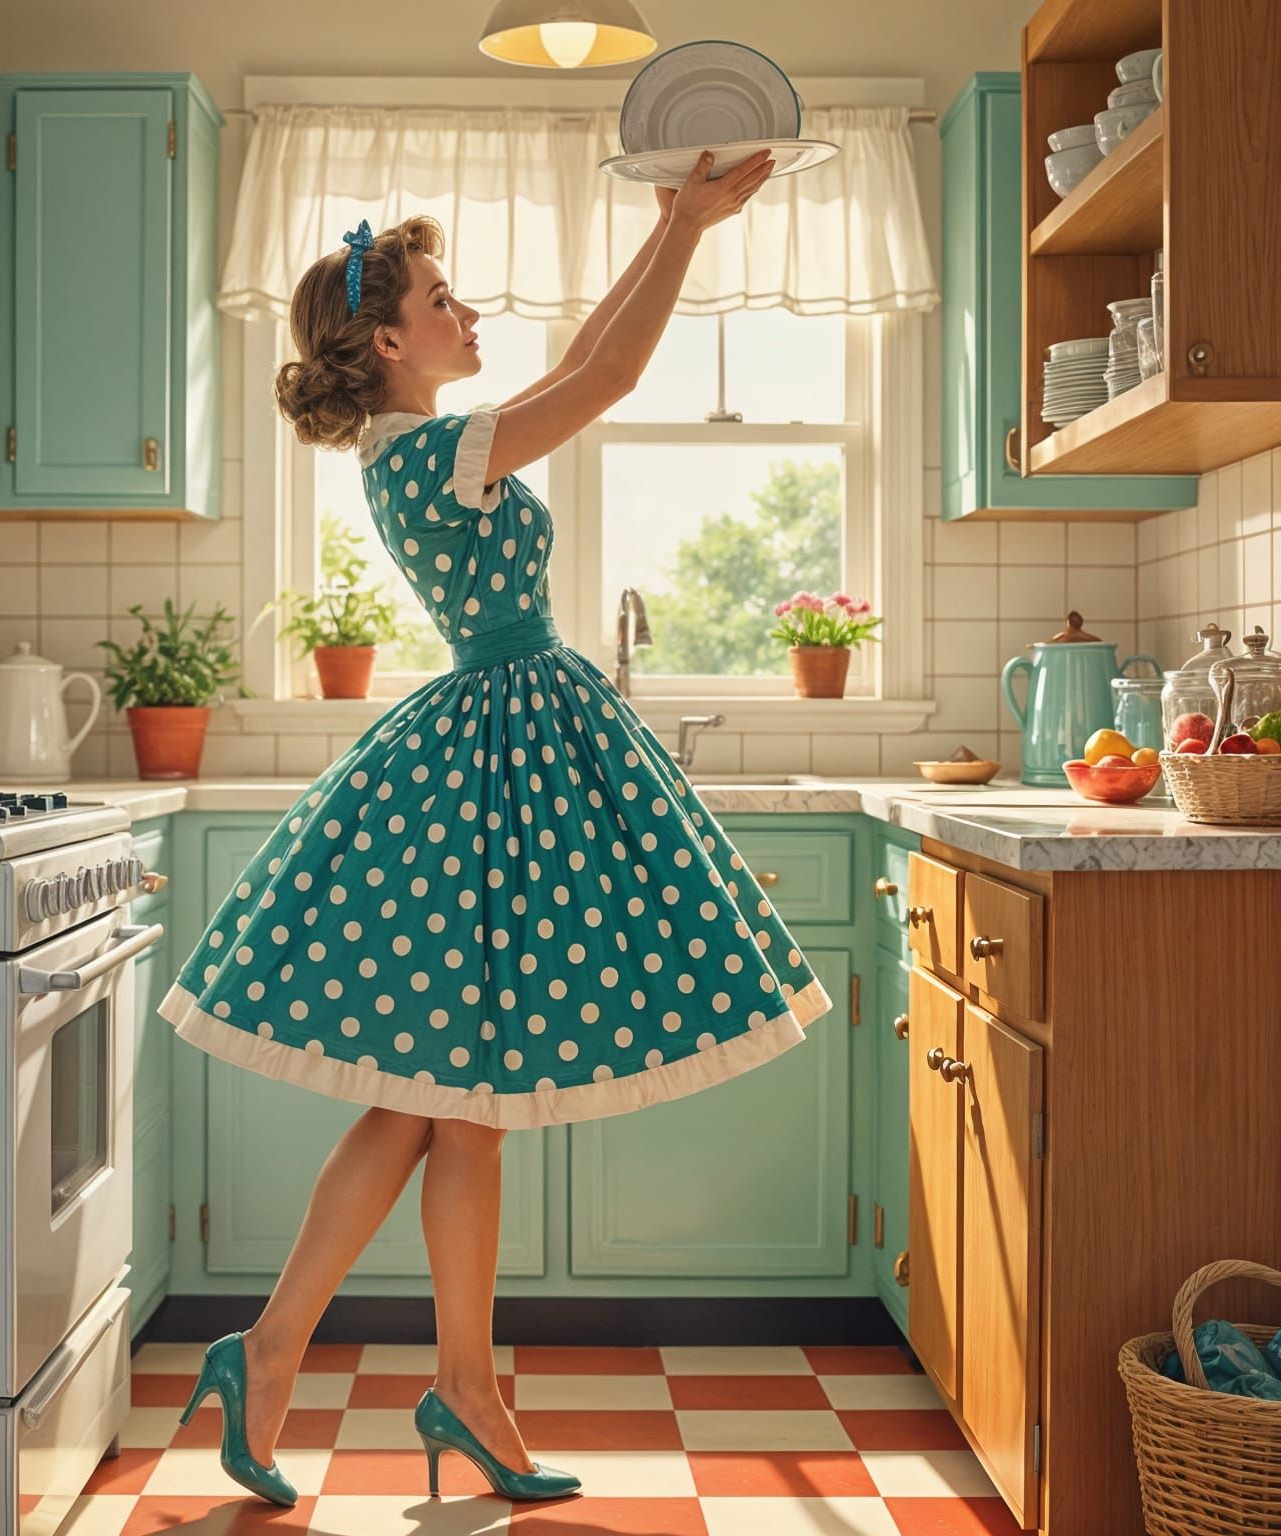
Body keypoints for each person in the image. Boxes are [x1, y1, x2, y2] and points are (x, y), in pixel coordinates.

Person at [157, 146, 835, 1508]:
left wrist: (673, 226)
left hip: (497, 752)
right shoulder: (429, 457)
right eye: (444, 298)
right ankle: (365, 1368)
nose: (469, 316)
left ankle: (371, 1370)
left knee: (454, 1109)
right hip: (495, 760)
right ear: (390, 338)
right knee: (443, 1104)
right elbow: (612, 380)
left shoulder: (418, 447)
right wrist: (692, 233)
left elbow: (582, 359)